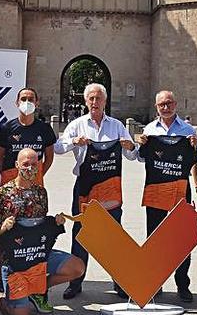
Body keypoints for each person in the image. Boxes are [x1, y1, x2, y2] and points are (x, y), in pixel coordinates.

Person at [0, 149, 86, 314]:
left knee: (77, 267)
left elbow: (41, 224)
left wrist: (56, 220)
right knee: (19, 312)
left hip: (38, 254)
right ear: (17, 165)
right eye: (25, 164)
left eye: (34, 164)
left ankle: (38, 290)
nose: (30, 168)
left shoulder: (41, 192)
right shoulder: (3, 192)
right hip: (15, 260)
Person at [56, 83, 137, 299]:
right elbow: (57, 147)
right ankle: (75, 282)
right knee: (81, 234)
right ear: (85, 101)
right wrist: (74, 141)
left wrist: (130, 147)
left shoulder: (117, 126)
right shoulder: (77, 125)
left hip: (111, 188)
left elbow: (132, 155)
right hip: (84, 188)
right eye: (91, 98)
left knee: (114, 236)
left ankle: (120, 282)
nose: (94, 102)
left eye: (98, 98)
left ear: (105, 101)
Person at [135, 90, 197, 301]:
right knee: (154, 238)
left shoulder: (187, 129)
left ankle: (183, 284)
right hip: (156, 191)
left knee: (181, 239)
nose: (165, 107)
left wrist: (194, 146)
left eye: (168, 103)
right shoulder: (150, 129)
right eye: (161, 105)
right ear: (156, 107)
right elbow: (140, 158)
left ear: (175, 104)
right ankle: (155, 282)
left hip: (180, 190)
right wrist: (142, 145)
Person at [0, 88, 56, 186]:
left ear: (36, 103)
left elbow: (49, 157)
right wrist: (6, 174)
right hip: (10, 178)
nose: (27, 102)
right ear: (17, 103)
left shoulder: (45, 129)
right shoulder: (7, 128)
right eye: (23, 99)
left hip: (34, 180)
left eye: (31, 99)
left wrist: (39, 174)